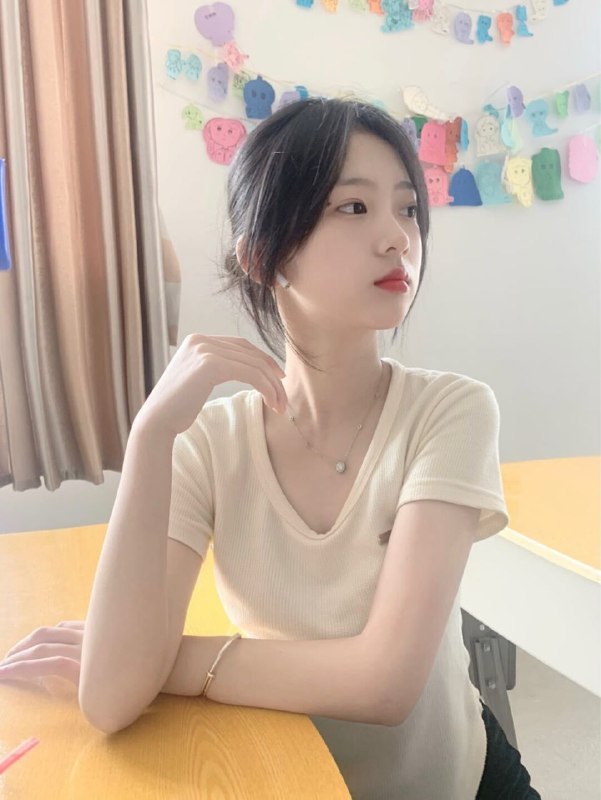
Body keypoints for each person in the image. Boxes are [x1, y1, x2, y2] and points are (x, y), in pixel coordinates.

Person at [0, 98, 541, 799]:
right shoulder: (205, 442)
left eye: (408, 209)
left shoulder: (450, 410)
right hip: (292, 776)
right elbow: (108, 701)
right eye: (353, 207)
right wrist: (150, 435)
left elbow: (384, 684)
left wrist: (161, 660)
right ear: (262, 255)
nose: (396, 238)